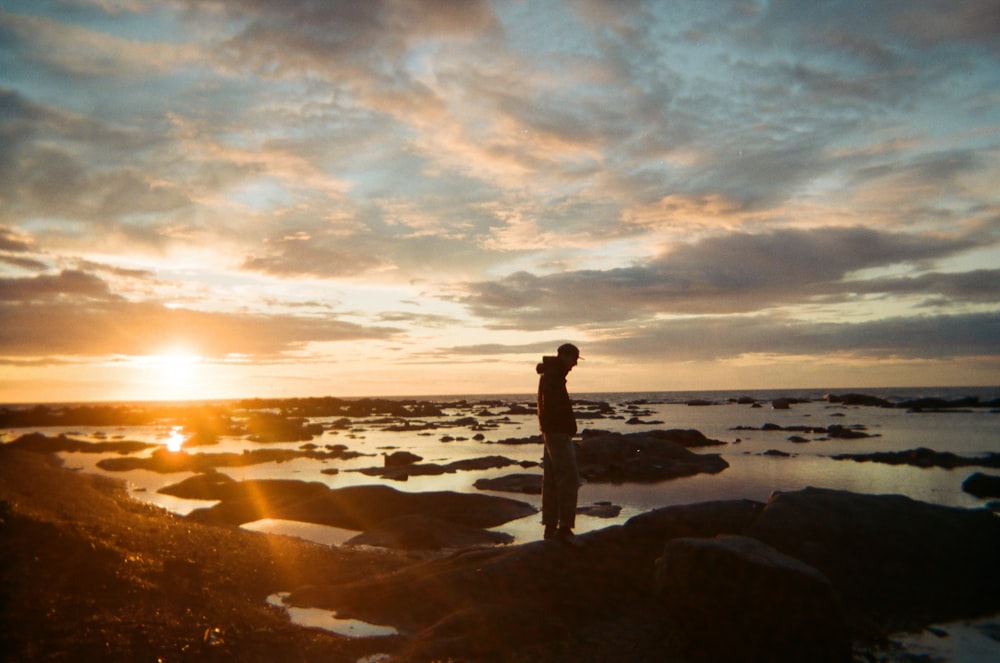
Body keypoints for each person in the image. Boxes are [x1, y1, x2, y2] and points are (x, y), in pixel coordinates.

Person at [536, 342, 583, 546]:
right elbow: (554, 407)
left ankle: (550, 526)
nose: (574, 365)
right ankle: (564, 528)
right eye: (573, 359)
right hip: (557, 433)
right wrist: (566, 428)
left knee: (552, 479)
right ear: (564, 356)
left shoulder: (551, 374)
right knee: (569, 479)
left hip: (550, 431)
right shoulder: (554, 376)